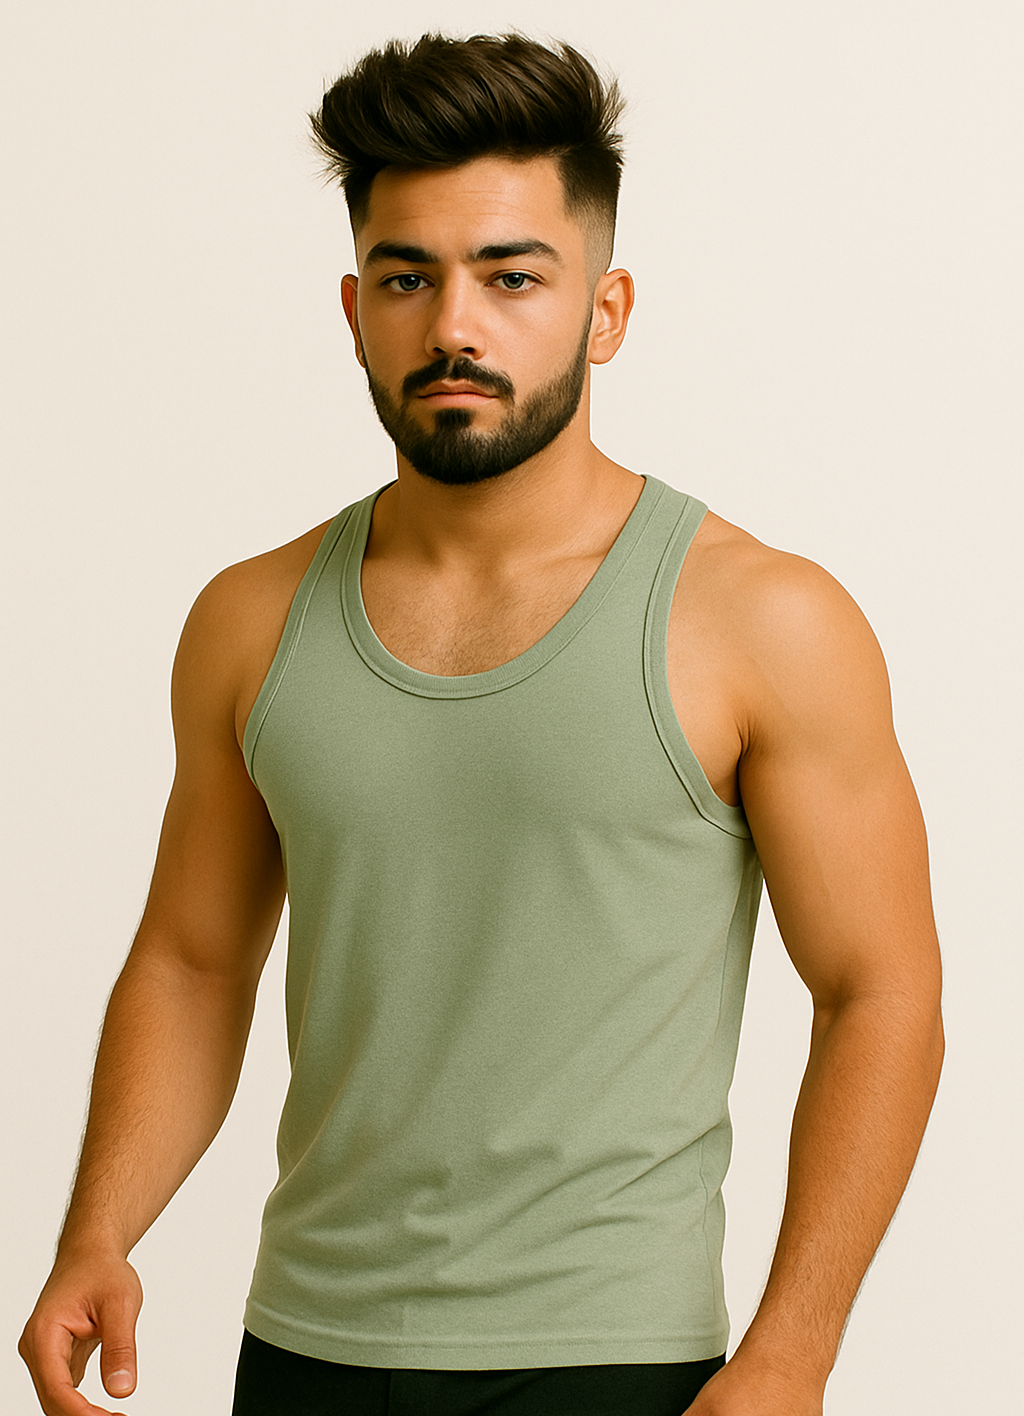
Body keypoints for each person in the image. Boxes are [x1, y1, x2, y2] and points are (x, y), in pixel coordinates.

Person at [19, 32, 944, 1416]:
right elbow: (195, 963)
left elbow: (885, 995)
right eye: (409, 278)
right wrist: (99, 1230)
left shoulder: (761, 619)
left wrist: (791, 1356)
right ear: (354, 309)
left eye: (514, 277)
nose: (456, 325)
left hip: (617, 1365)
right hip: (306, 1353)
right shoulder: (251, 620)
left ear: (605, 310)